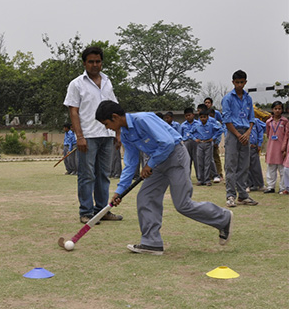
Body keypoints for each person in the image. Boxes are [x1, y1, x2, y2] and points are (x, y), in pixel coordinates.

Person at [95, 100, 233, 255]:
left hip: (175, 157)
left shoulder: (142, 119)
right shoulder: (126, 135)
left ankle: (223, 218)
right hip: (157, 164)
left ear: (114, 117)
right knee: (145, 197)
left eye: (106, 124)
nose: (107, 128)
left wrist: (149, 165)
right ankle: (151, 242)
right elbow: (131, 163)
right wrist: (119, 191)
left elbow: (167, 143)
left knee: (183, 204)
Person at [64, 46, 122, 224]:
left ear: (102, 63)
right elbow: (73, 112)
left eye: (98, 61)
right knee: (87, 175)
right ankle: (86, 212)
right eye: (91, 61)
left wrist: (118, 133)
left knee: (104, 174)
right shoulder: (76, 84)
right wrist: (79, 137)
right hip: (87, 136)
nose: (95, 65)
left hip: (107, 134)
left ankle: (102, 210)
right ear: (84, 63)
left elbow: (115, 108)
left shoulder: (107, 81)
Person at [221, 70, 258, 207]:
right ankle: (230, 195)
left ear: (245, 82)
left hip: (246, 133)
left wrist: (248, 133)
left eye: (242, 82)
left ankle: (243, 195)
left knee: (244, 165)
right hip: (232, 133)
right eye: (237, 82)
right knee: (231, 165)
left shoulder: (248, 98)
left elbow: (252, 118)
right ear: (233, 82)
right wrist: (237, 134)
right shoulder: (228, 98)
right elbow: (226, 119)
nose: (239, 85)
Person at [190, 109, 223, 186]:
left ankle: (207, 180)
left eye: (204, 117)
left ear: (207, 117)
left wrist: (213, 138)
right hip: (200, 144)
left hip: (208, 143)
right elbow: (190, 133)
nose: (203, 119)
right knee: (200, 162)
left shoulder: (211, 124)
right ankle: (200, 179)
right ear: (199, 117)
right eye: (201, 117)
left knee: (207, 162)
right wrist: (195, 139)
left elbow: (220, 130)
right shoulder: (197, 125)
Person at [263, 101, 288, 193]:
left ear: (282, 110)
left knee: (282, 168)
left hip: (281, 147)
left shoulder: (285, 121)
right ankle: (270, 186)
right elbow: (269, 134)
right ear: (272, 110)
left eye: (279, 109)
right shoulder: (269, 122)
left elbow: (286, 135)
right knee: (271, 167)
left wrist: (285, 148)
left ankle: (283, 187)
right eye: (275, 109)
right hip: (271, 147)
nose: (277, 110)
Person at [246, 118, 265, 192]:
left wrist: (259, 143)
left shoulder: (255, 121)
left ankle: (260, 184)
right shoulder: (240, 121)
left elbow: (260, 131)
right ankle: (248, 185)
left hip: (254, 147)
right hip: (244, 147)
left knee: (256, 166)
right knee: (245, 167)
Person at [179, 107, 198, 178]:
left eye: (189, 115)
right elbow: (180, 135)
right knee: (187, 160)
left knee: (197, 160)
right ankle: (187, 177)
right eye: (186, 116)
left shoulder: (198, 123)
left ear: (193, 115)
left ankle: (199, 177)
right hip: (186, 142)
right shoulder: (183, 125)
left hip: (195, 143)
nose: (188, 117)